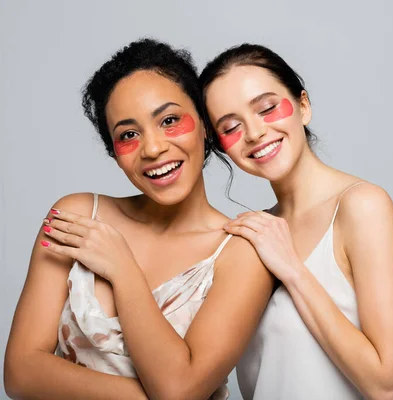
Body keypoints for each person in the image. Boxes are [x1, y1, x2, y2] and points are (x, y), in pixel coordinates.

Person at [5, 38, 274, 400]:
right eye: (128, 134)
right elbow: (20, 373)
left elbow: (180, 391)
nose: (152, 149)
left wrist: (123, 270)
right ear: (114, 152)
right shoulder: (76, 217)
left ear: (205, 126)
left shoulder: (241, 252)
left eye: (169, 120)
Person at [199, 43, 393, 400]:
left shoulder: (362, 206)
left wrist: (293, 272)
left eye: (267, 108)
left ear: (303, 106)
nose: (254, 133)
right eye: (231, 126)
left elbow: (388, 385)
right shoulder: (253, 234)